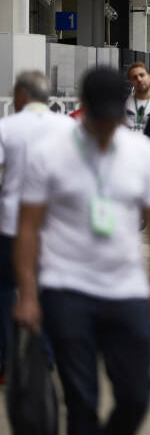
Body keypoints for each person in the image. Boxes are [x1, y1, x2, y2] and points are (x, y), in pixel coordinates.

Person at [12, 67, 150, 435]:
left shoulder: (140, 152)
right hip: (67, 289)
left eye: (114, 116)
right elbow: (28, 228)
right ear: (83, 107)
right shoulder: (52, 153)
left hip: (126, 290)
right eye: (99, 117)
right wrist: (28, 294)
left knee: (136, 395)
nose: (106, 126)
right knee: (81, 400)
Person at [0, 72, 75, 383]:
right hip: (55, 226)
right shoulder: (71, 128)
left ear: (20, 94)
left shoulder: (6, 127)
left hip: (11, 224)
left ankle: (4, 362)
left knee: (4, 289)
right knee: (50, 291)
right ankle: (45, 359)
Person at [125, 61, 150, 137]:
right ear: (131, 82)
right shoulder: (123, 105)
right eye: (134, 77)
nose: (139, 79)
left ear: (149, 77)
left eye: (142, 75)